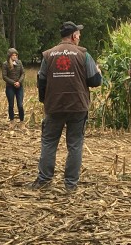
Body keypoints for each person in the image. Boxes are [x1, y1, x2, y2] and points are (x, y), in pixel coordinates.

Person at [31, 21, 102, 192]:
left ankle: (44, 180)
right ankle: (70, 184)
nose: (80, 36)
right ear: (73, 36)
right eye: (79, 34)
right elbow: (94, 81)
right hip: (78, 106)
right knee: (75, 145)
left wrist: (45, 101)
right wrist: (98, 73)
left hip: (54, 105)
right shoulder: (83, 54)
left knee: (49, 143)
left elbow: (41, 81)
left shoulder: (48, 55)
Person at [2, 48, 25, 124]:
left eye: (16, 55)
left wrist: (19, 82)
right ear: (9, 56)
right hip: (10, 87)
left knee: (20, 105)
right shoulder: (5, 64)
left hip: (19, 87)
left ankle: (22, 121)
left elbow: (23, 73)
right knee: (11, 105)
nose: (15, 56)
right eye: (13, 55)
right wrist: (13, 83)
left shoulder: (19, 63)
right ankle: (12, 121)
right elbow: (4, 76)